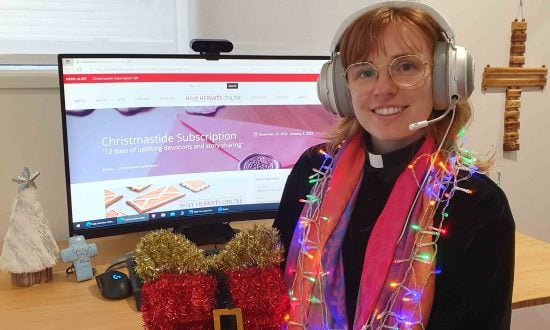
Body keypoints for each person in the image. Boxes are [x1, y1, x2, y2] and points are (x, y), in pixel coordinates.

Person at [273, 1, 515, 329]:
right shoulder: (313, 171)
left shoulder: (475, 202)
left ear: (445, 80)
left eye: (406, 67)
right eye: (365, 71)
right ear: (343, 90)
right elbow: (273, 291)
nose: (383, 88)